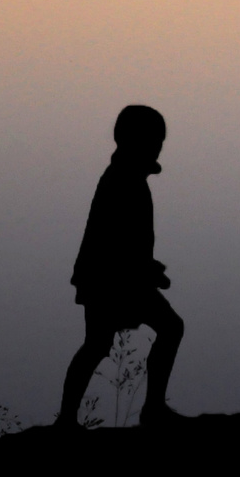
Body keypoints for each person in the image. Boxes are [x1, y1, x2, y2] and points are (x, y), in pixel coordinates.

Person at [57, 104, 186, 427]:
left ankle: (69, 419)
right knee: (163, 329)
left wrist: (148, 268)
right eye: (153, 139)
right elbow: (114, 238)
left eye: (160, 141)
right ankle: (150, 409)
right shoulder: (123, 180)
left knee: (98, 344)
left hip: (115, 277)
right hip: (111, 280)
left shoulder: (128, 177)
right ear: (132, 140)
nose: (157, 146)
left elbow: (128, 239)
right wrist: (146, 270)